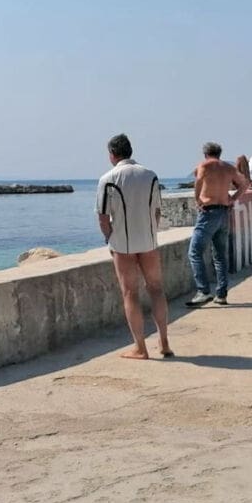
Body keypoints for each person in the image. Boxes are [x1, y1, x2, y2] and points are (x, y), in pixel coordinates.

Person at [97, 133, 173, 360]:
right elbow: (157, 211)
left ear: (112, 154)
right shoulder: (150, 175)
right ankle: (164, 342)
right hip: (149, 242)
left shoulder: (108, 179)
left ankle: (140, 348)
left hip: (123, 243)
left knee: (130, 293)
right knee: (156, 289)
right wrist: (151, 233)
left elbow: (103, 218)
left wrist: (110, 238)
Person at [186, 142, 249, 307]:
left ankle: (203, 291)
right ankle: (221, 294)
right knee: (220, 256)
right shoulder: (228, 167)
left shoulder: (204, 165)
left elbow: (198, 181)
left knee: (194, 252)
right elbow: (245, 184)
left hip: (208, 212)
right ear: (219, 154)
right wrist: (233, 198)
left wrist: (198, 200)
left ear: (205, 154)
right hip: (224, 212)